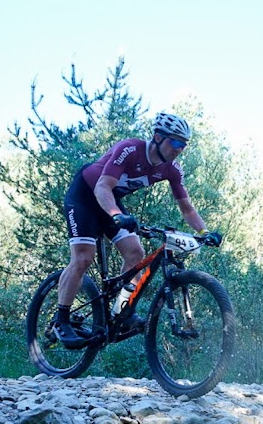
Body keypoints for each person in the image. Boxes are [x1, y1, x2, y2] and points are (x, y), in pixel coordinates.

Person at [51, 111, 222, 346]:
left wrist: (205, 232)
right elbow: (102, 187)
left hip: (110, 203)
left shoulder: (171, 169)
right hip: (85, 196)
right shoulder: (129, 150)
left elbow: (187, 208)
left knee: (135, 254)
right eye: (175, 142)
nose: (179, 148)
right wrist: (117, 215)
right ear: (158, 137)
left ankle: (121, 310)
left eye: (183, 144)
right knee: (83, 258)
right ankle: (61, 320)